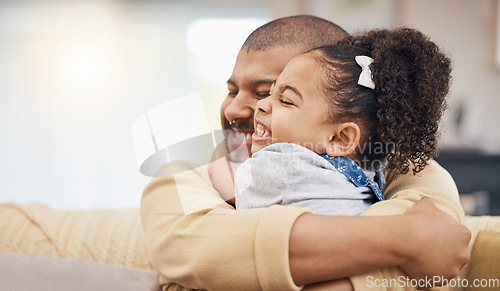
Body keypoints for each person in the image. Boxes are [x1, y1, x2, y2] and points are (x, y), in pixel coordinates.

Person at [140, 15, 471, 291]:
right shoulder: (180, 174)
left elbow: (445, 237)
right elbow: (199, 250)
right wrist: (407, 238)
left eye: (270, 92)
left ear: (342, 131)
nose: (235, 109)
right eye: (231, 90)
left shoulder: (400, 167)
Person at [221, 27, 449, 221]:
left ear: (340, 139)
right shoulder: (377, 169)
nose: (262, 104)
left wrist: (219, 161)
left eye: (285, 100)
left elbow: (227, 184)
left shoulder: (280, 162)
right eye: (269, 93)